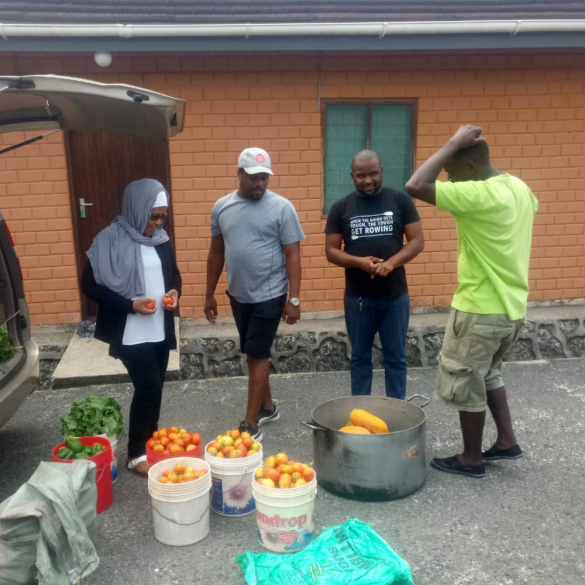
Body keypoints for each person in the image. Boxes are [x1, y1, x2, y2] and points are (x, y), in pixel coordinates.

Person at [405, 125, 538, 479]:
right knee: (489, 373)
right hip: (512, 308)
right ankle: (507, 440)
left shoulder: (480, 195)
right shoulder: (520, 189)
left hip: (479, 308)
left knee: (466, 380)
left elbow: (415, 185)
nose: (450, 179)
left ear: (472, 168)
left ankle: (470, 458)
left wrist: (451, 144)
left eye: (453, 173)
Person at [81, 178, 181, 476]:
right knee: (147, 385)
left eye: (163, 216)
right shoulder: (108, 239)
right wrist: (130, 305)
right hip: (129, 330)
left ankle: (151, 442)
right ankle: (135, 453)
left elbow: (173, 275)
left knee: (156, 386)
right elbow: (89, 285)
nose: (159, 222)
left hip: (159, 328)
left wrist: (174, 293)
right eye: (154, 216)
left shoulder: (161, 239)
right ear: (137, 208)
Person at [204, 147, 305, 440]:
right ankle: (269, 407)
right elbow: (216, 253)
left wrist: (293, 299)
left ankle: (251, 422)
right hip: (238, 295)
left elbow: (293, 256)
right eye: (253, 177)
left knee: (258, 355)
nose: (260, 183)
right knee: (252, 352)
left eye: (264, 177)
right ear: (239, 174)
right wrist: (209, 294)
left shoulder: (282, 208)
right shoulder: (222, 207)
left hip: (270, 295)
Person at [325, 150, 424, 399]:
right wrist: (358, 262)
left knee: (396, 357)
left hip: (395, 296)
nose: (367, 180)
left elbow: (417, 242)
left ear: (382, 172)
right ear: (352, 176)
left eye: (372, 174)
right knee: (359, 358)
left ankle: (397, 412)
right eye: (361, 175)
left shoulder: (401, 200)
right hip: (358, 299)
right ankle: (362, 412)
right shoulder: (341, 207)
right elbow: (331, 252)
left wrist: (391, 263)